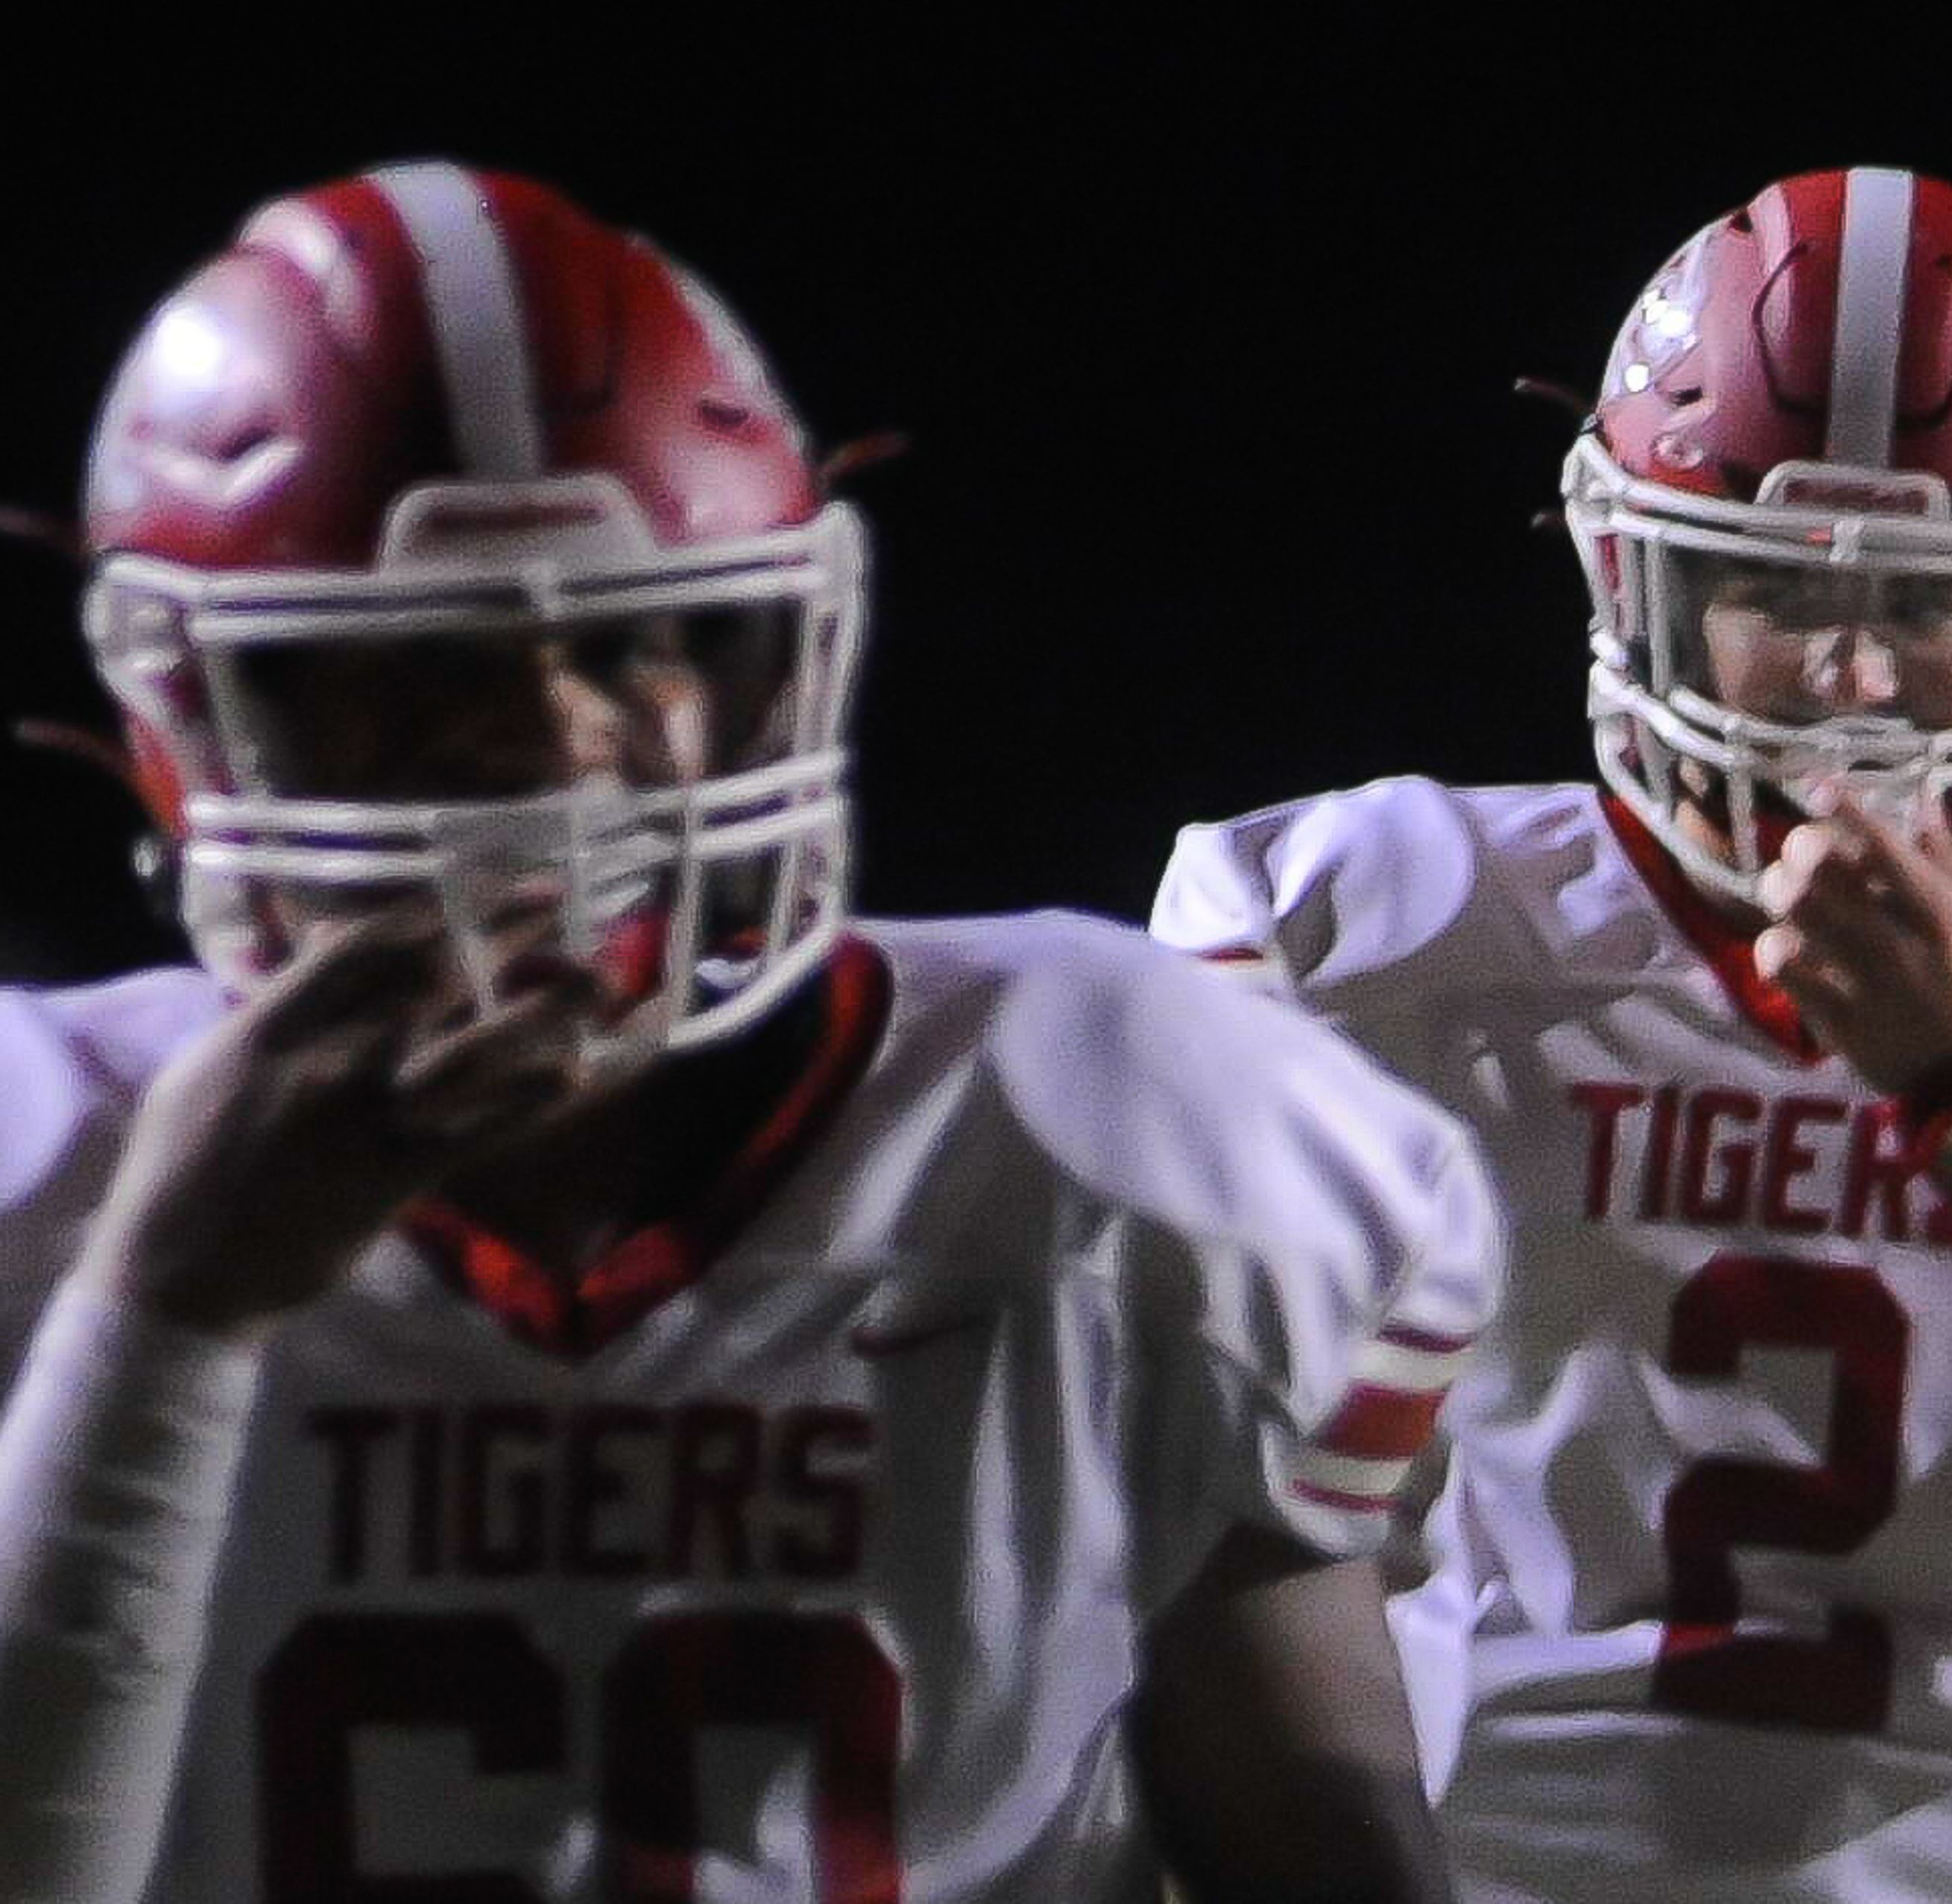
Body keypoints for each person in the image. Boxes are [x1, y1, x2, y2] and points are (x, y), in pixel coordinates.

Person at [0, 161, 1498, 1904]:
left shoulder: (1106, 1114)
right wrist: (159, 1322)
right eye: (419, 668)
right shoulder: (41, 1158)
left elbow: (1319, 1844)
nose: (558, 748)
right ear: (204, 713)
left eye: (644, 644)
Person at [1152, 165, 1952, 1902]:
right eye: (1782, 599)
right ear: (1637, 577)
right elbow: (1168, 1532)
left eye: (1926, 605)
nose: (1853, 682)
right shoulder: (1349, 941)